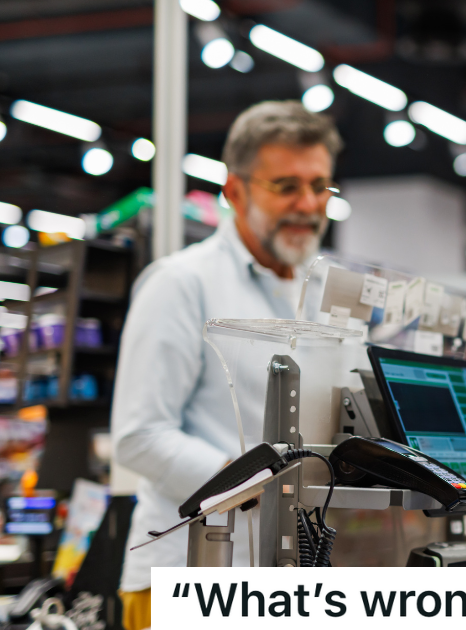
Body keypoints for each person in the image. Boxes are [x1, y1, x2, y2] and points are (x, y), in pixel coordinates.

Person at [112, 101, 342, 630]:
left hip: (288, 578)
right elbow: (140, 435)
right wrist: (261, 487)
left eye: (319, 186)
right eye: (286, 186)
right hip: (187, 580)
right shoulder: (181, 283)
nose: (308, 204)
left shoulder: (323, 293)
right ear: (234, 190)